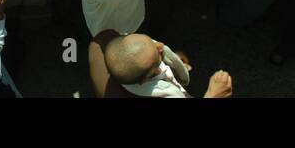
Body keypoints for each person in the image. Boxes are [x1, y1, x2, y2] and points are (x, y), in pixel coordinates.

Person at [100, 30, 234, 97]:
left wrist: (171, 58)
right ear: (146, 79)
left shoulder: (136, 67)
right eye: (158, 56)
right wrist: (213, 94)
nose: (161, 45)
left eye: (150, 42)